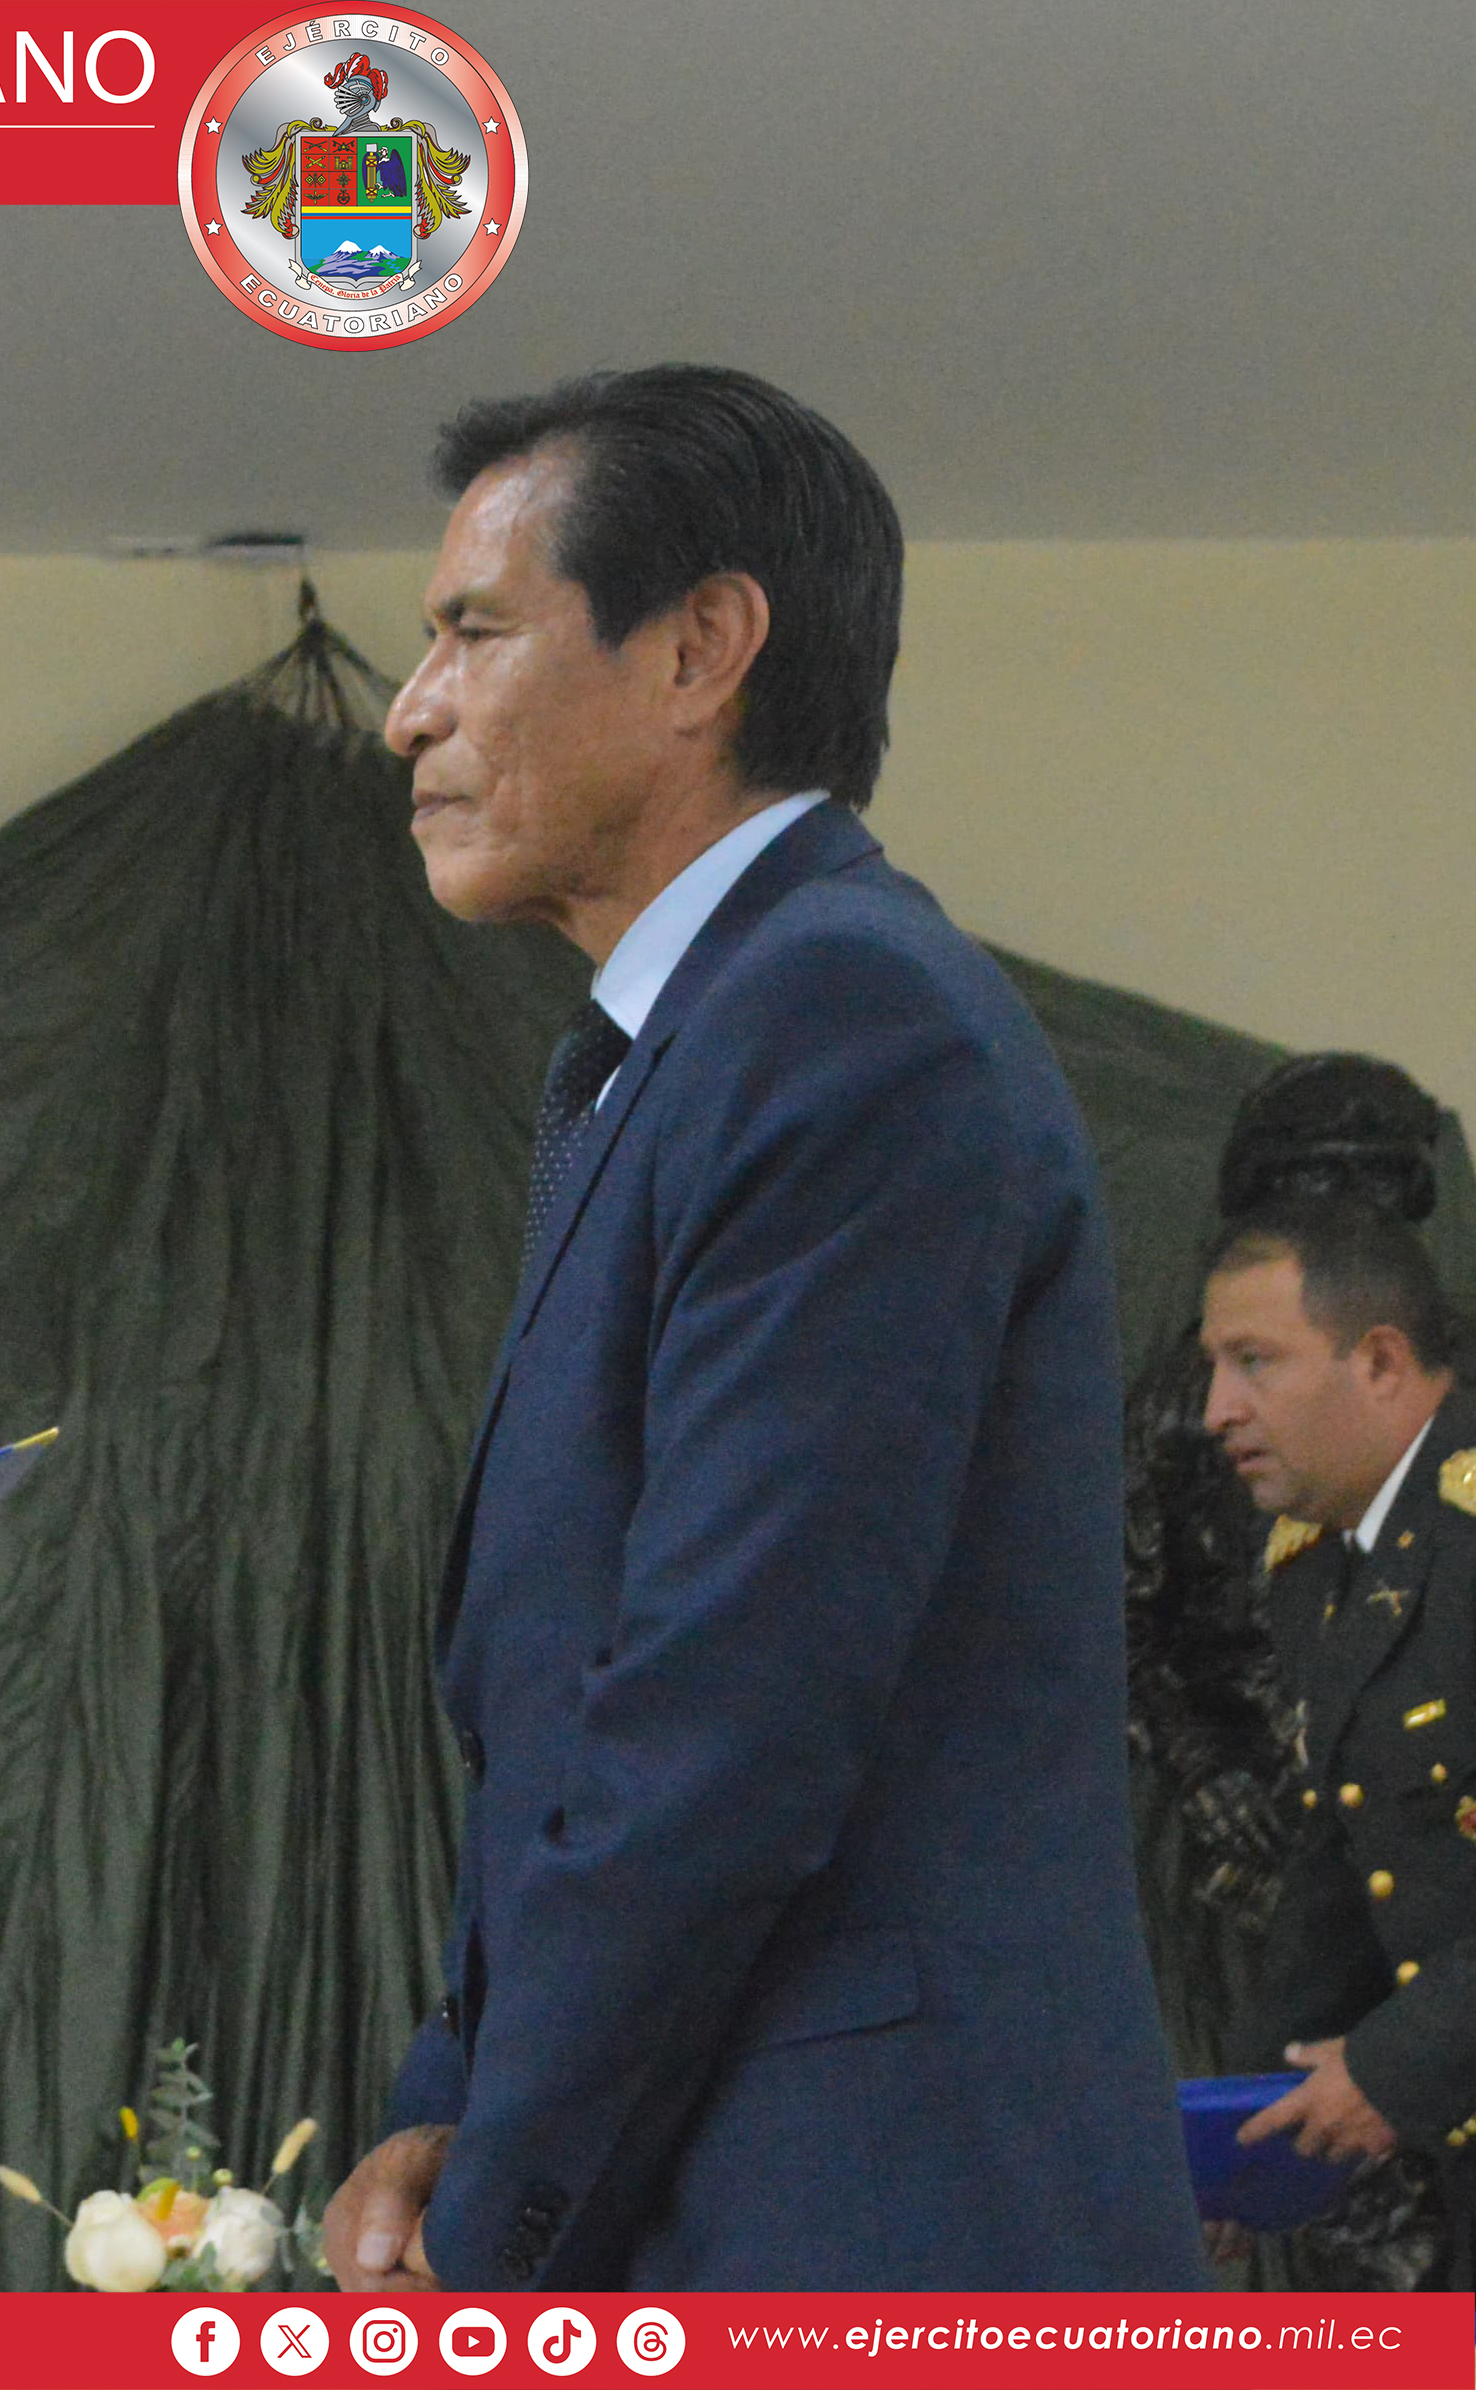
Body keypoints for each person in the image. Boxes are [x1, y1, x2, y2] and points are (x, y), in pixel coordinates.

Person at [319, 364, 1202, 2289]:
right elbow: (572, 1703)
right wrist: (447, 2103)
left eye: (472, 631)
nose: (409, 710)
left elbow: (721, 1718)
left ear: (697, 649)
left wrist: (491, 2216)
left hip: (871, 2229)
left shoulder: (834, 1019)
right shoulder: (685, 1045)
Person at [1200, 1199, 1476, 2289]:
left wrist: (1393, 2066)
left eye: (1254, 1360)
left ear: (1380, 1361)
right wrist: (1242, 2138)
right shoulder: (1317, 1563)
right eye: (1214, 1365)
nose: (1217, 1409)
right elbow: (1345, 1859)